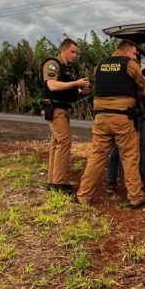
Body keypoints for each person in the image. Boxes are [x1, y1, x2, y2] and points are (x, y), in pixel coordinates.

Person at [76, 39, 145, 208]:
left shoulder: (99, 65)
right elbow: (141, 86)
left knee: (97, 156)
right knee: (129, 157)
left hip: (100, 118)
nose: (135, 57)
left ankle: (83, 196)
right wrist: (135, 102)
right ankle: (136, 198)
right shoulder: (130, 64)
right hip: (122, 118)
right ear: (127, 50)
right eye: (135, 53)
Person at [40, 39, 90, 193]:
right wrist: (76, 83)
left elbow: (67, 90)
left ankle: (53, 181)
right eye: (72, 52)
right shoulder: (52, 64)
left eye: (76, 53)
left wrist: (81, 91)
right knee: (64, 142)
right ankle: (58, 184)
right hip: (54, 108)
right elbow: (52, 85)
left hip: (63, 108)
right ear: (64, 50)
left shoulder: (68, 69)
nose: (75, 55)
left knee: (56, 144)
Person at [106, 53, 145, 194]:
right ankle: (141, 184)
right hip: (137, 118)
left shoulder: (118, 79)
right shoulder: (143, 79)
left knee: (116, 149)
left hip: (120, 117)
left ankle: (111, 183)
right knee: (138, 151)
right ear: (139, 65)